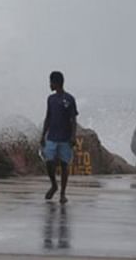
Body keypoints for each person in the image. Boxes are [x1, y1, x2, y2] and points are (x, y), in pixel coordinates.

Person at [40, 71, 78, 204]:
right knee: (49, 161)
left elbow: (73, 120)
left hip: (65, 138)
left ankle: (62, 193)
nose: (49, 84)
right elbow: (48, 117)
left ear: (56, 83)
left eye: (50, 82)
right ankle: (54, 185)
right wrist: (43, 134)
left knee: (64, 165)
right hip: (51, 136)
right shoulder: (50, 99)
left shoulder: (69, 99)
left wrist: (73, 136)